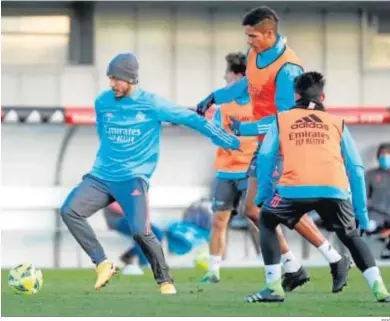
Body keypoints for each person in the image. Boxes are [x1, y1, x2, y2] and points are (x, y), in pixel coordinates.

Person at [59, 52, 240, 294]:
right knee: (70, 211)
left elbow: (190, 118)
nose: (112, 84)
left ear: (132, 79)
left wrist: (226, 139)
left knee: (142, 232)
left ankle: (165, 281)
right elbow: (104, 135)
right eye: (110, 78)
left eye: (117, 79)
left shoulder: (152, 104)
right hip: (101, 176)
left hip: (133, 178)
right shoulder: (103, 102)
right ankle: (102, 263)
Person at [196, 6, 345, 292]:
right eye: (246, 36)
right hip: (266, 146)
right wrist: (214, 96)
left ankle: (330, 259)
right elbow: (243, 89)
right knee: (255, 210)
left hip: (284, 146)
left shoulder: (288, 68)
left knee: (272, 208)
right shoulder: (254, 54)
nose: (248, 41)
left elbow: (285, 120)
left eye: (252, 36)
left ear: (268, 33)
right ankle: (297, 266)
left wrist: (246, 129)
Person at [245, 71, 390, 303]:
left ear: (296, 96)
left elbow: (264, 157)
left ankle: (273, 287)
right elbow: (356, 168)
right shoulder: (337, 123)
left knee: (266, 219)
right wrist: (361, 214)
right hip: (334, 190)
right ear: (323, 98)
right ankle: (380, 290)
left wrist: (263, 194)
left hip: (293, 190)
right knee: (351, 236)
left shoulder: (281, 119)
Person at [199, 52, 258, 283]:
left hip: (251, 172)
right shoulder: (223, 107)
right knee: (219, 221)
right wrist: (223, 137)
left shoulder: (259, 105)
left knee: (258, 219)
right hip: (226, 172)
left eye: (227, 73)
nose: (224, 78)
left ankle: (279, 266)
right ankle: (213, 271)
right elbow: (214, 135)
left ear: (238, 76)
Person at [103, 202, 164, 275]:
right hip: (119, 220)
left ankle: (129, 255)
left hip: (134, 219)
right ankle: (144, 264)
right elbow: (114, 207)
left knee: (158, 235)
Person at [365, 143, 390, 259]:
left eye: (388, 154)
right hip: (376, 215)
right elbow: (364, 197)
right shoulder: (370, 175)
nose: (385, 157)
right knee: (368, 226)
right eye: (383, 154)